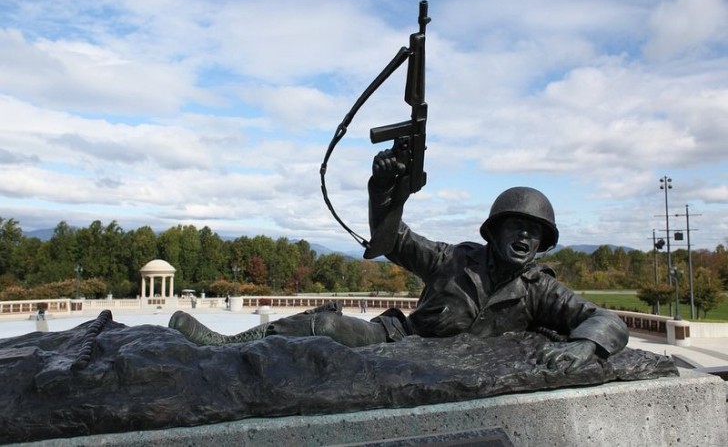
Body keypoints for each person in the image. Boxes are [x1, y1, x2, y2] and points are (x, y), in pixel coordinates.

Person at [169, 150, 629, 371]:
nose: (525, 238)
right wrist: (384, 192)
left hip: (459, 365)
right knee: (328, 327)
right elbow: (394, 239)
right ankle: (225, 346)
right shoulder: (452, 259)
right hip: (397, 339)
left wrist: (585, 345)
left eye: (535, 233)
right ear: (494, 231)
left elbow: (600, 319)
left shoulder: (538, 288)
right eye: (517, 227)